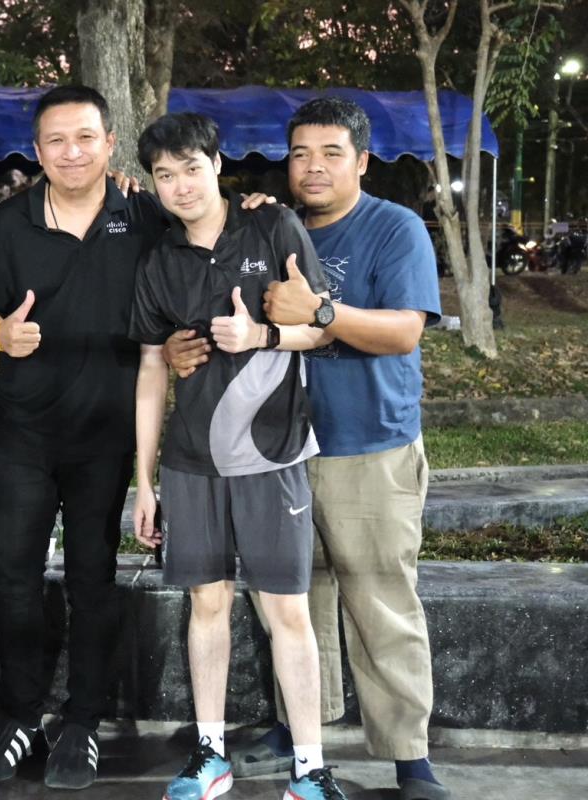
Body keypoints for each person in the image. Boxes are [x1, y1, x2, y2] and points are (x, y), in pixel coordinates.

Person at [169, 97, 447, 800]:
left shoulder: (394, 228)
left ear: (361, 161)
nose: (313, 167)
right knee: (292, 599)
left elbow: (404, 332)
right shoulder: (268, 226)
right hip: (276, 449)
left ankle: (409, 756)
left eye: (331, 154)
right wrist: (177, 350)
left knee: (380, 599)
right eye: (300, 154)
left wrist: (322, 311)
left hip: (366, 444)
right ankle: (304, 735)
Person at [129, 112, 346, 800]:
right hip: (191, 463)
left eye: (192, 168)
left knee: (288, 612)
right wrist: (144, 480)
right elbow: (151, 370)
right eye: (165, 175)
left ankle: (310, 769)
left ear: (217, 165)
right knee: (207, 606)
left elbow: (321, 330)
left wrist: (262, 336)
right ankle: (210, 755)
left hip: (271, 456)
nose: (181, 186)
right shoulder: (159, 261)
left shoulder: (272, 227)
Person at [0, 85, 166, 791]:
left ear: (110, 143)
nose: (71, 152)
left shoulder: (144, 215)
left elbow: (210, 228)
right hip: (22, 433)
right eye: (56, 140)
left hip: (105, 437)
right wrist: (0, 334)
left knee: (93, 579)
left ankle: (83, 720)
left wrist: (258, 206)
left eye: (85, 138)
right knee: (13, 576)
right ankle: (21, 714)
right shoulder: (10, 222)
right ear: (38, 150)